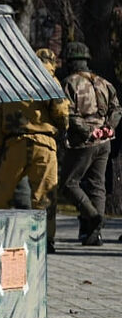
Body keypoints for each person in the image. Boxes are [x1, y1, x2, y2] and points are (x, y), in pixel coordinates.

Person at [0, 50, 68, 251]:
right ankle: (45, 240)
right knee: (44, 195)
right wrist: (63, 127)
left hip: (14, 144)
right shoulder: (49, 79)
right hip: (44, 144)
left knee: (3, 190)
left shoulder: (11, 80)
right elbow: (61, 110)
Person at [59, 41, 120, 246]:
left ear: (70, 62)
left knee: (68, 183)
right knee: (97, 186)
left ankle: (93, 215)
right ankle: (95, 234)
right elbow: (117, 109)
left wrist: (88, 131)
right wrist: (109, 127)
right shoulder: (103, 82)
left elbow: (67, 112)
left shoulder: (69, 83)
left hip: (84, 142)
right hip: (105, 141)